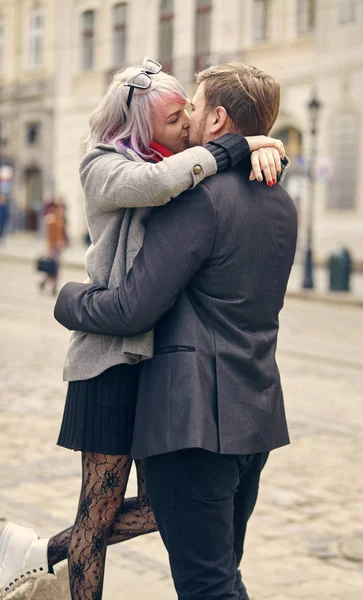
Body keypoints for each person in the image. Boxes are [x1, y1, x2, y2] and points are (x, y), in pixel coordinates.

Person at [0, 58, 286, 600]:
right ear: (141, 121)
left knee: (160, 509)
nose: (185, 124)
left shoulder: (185, 167)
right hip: (108, 357)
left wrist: (264, 146)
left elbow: (206, 184)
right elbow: (156, 185)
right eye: (175, 116)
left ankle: (34, 554)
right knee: (97, 513)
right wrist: (240, 145)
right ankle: (43, 565)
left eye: (190, 112)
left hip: (155, 366)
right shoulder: (105, 165)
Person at [39, 199, 67, 296]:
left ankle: (46, 283)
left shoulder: (61, 219)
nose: (62, 210)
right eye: (60, 208)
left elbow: (62, 234)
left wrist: (63, 242)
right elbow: (50, 237)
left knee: (55, 268)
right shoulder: (51, 220)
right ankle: (52, 286)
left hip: (59, 248)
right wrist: (49, 249)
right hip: (53, 248)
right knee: (55, 268)